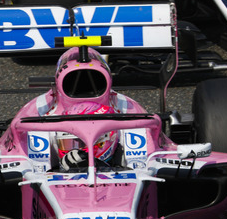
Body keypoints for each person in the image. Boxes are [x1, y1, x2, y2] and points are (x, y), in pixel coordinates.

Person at [15, 46, 149, 171]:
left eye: (79, 143)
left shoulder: (127, 109)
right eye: (71, 142)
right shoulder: (39, 110)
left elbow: (151, 155)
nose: (75, 151)